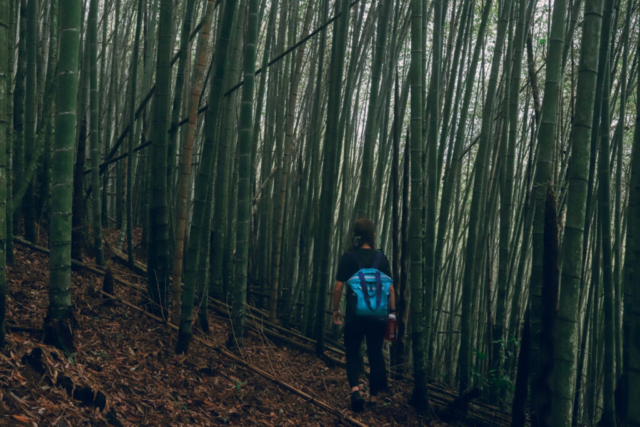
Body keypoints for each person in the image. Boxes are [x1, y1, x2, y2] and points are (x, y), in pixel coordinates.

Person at [332, 218, 396, 412]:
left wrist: (335, 310)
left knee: (352, 353)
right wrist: (392, 313)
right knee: (375, 355)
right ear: (373, 236)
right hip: (378, 316)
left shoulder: (349, 257)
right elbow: (391, 290)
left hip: (355, 315)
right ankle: (374, 399)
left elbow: (338, 287)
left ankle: (355, 391)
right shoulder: (381, 259)